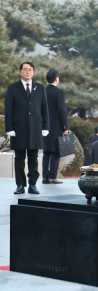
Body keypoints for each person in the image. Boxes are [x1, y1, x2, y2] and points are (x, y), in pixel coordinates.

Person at [4, 62, 50, 195]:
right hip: (18, 129)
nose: (27, 72)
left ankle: (33, 185)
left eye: (30, 70)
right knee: (19, 158)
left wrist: (46, 126)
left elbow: (44, 109)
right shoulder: (13, 88)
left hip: (36, 128)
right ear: (20, 72)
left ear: (33, 72)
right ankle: (20, 185)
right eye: (25, 69)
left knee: (33, 158)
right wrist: (9, 128)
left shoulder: (40, 88)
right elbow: (8, 109)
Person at [42, 69, 68, 184]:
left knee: (46, 152)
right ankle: (52, 176)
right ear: (56, 79)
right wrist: (65, 127)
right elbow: (62, 111)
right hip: (56, 126)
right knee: (56, 152)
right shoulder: (59, 92)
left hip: (43, 126)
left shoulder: (41, 91)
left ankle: (44, 177)